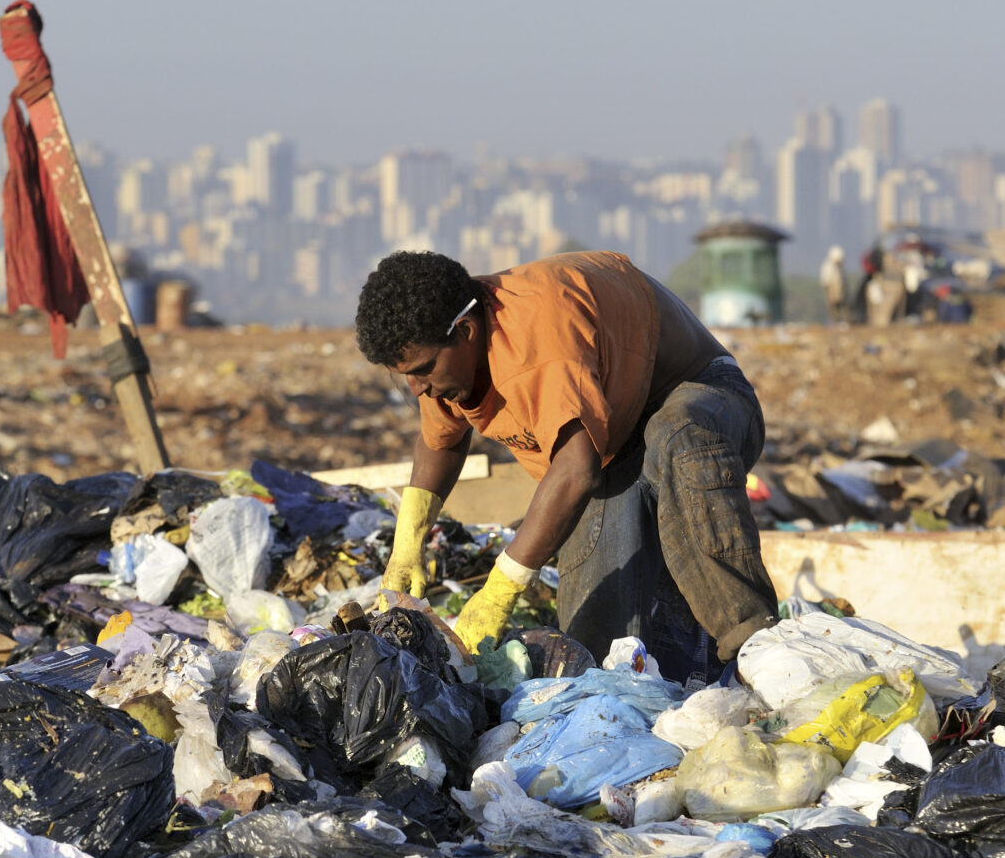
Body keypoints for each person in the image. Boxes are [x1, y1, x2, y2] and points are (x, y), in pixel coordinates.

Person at [354, 249, 779, 681]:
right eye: (404, 376)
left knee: (676, 435)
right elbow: (441, 444)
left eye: (422, 370)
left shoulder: (538, 333)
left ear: (465, 330)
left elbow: (577, 471)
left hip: (703, 396)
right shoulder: (445, 366)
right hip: (613, 441)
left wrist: (501, 589)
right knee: (595, 651)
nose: (416, 388)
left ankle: (756, 652)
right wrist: (409, 541)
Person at [821, 246, 847, 325]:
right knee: (833, 308)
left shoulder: (839, 268)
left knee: (841, 307)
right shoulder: (828, 266)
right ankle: (834, 322)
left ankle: (841, 322)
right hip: (831, 291)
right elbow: (826, 282)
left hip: (839, 291)